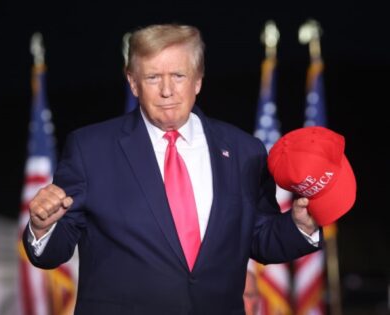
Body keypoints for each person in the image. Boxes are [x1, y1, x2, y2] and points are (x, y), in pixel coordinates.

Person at [23, 23, 321, 315]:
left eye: (178, 75)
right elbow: (55, 251)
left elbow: (260, 238)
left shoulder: (245, 151)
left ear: (198, 80)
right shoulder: (90, 149)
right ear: (133, 82)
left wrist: (301, 225)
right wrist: (42, 227)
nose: (167, 90)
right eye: (153, 77)